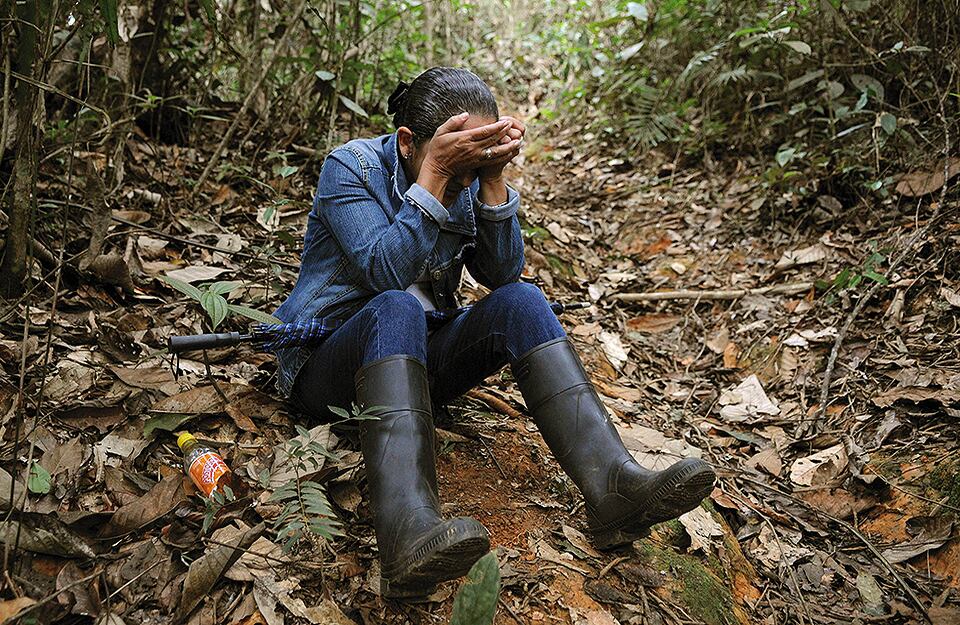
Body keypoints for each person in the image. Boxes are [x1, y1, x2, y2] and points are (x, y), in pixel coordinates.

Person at [273, 67, 715, 599]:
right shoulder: (352, 168)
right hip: (329, 365)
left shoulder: (466, 174)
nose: (462, 179)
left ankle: (614, 487)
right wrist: (435, 174)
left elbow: (501, 275)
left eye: (473, 162)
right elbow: (384, 271)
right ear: (410, 142)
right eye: (458, 162)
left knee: (522, 299)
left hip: (412, 366)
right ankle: (407, 533)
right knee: (395, 306)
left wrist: (491, 179)